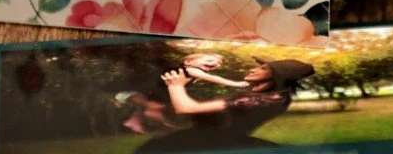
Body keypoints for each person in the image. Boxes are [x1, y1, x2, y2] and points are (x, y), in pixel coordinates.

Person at [135, 58, 315, 152]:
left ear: (277, 77)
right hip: (210, 138)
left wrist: (175, 86)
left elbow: (187, 108)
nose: (254, 69)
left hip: (213, 142)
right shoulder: (261, 94)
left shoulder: (268, 98)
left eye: (263, 68)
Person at [118, 52, 249, 134]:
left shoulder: (193, 74)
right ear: (188, 62)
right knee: (154, 107)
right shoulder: (191, 70)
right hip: (133, 91)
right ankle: (161, 126)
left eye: (218, 63)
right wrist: (236, 84)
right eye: (209, 60)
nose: (215, 63)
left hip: (145, 93)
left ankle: (135, 122)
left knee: (156, 108)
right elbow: (213, 78)